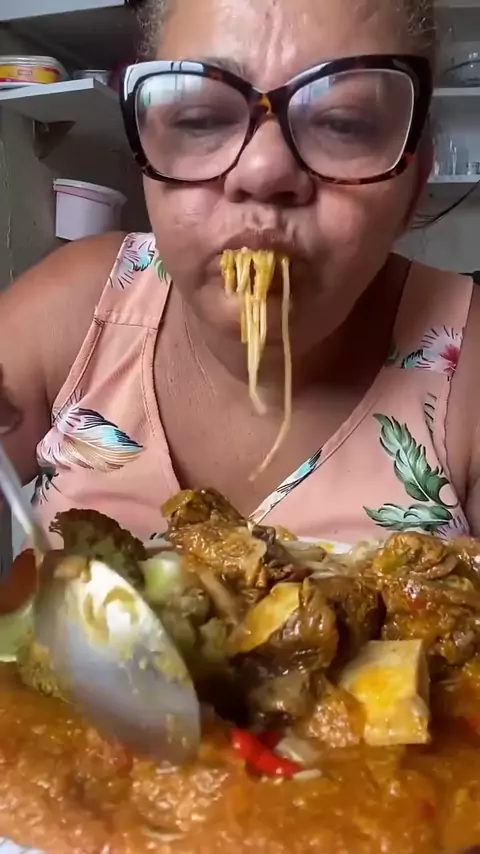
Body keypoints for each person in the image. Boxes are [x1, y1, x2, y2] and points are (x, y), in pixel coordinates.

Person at [0, 0, 479, 552]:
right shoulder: (78, 309)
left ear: (414, 185)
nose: (263, 170)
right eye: (200, 118)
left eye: (342, 122)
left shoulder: (466, 370)